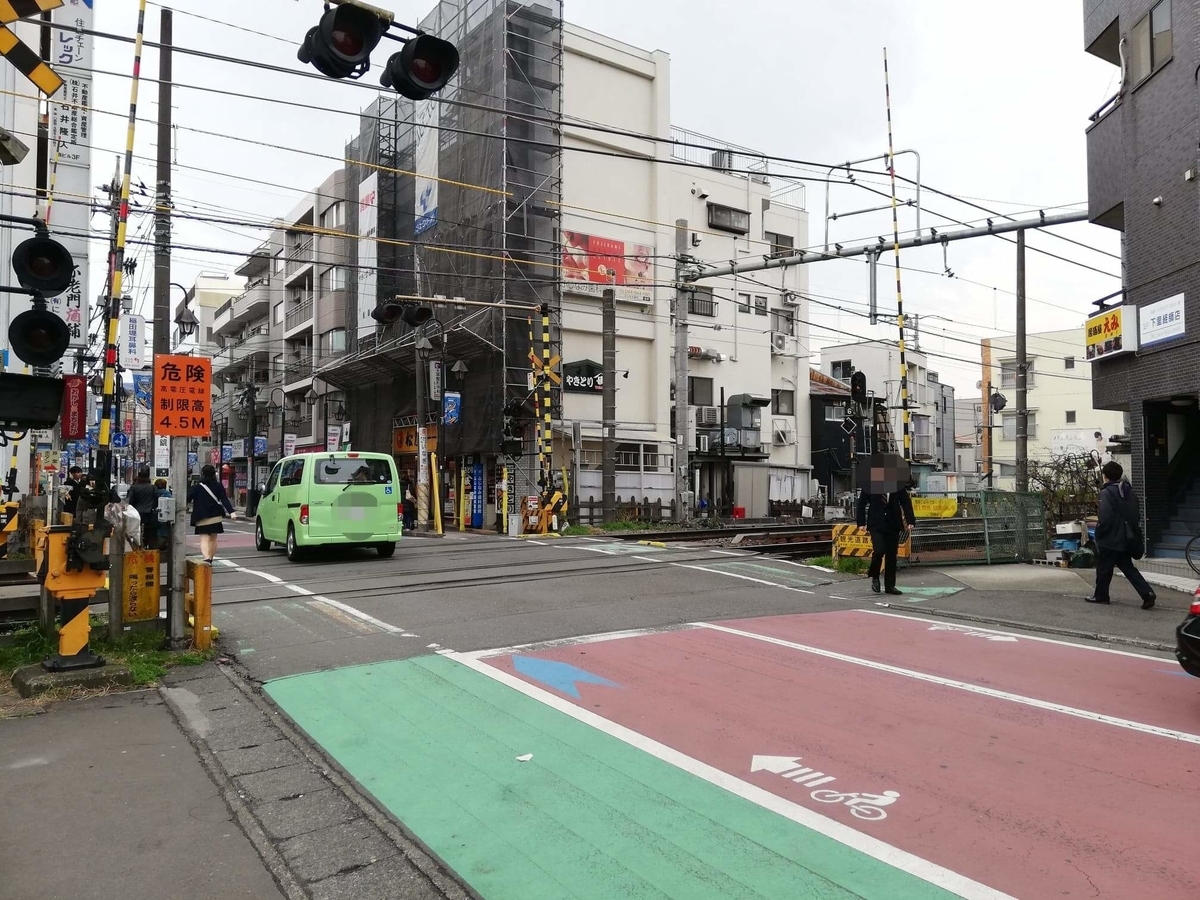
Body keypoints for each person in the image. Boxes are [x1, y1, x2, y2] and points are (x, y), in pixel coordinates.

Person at [1087, 461, 1155, 609]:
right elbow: (1136, 515)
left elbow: (1105, 517)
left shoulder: (1107, 492)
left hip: (1110, 538)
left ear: (1105, 476)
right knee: (1128, 568)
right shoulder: (1128, 490)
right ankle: (1147, 593)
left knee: (1104, 568)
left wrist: (1099, 533)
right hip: (1126, 538)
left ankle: (1101, 596)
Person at [856, 483, 915, 595]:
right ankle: (875, 576)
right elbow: (862, 503)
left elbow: (905, 502)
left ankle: (890, 586)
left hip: (893, 524)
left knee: (891, 555)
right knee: (879, 550)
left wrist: (910, 520)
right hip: (876, 523)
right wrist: (861, 522)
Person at [189, 463, 235, 563]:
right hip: (215, 516)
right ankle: (211, 558)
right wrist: (231, 512)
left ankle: (206, 558)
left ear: (202, 474)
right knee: (213, 539)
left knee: (204, 539)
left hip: (201, 516)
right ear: (214, 474)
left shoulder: (197, 487)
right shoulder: (218, 485)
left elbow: (187, 498)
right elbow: (224, 499)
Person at [125, 467, 159, 548]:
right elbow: (157, 499)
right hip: (149, 512)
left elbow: (129, 499)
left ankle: (137, 545)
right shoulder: (153, 487)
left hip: (136, 512)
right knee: (149, 530)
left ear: (139, 478)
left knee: (135, 530)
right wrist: (153, 507)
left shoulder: (134, 487)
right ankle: (147, 544)